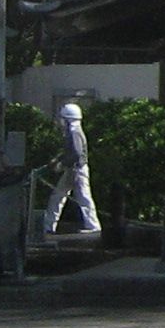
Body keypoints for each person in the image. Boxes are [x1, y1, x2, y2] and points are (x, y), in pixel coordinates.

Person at [43, 101, 102, 236]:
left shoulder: (74, 132)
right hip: (73, 170)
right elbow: (69, 151)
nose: (60, 122)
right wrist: (57, 159)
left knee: (82, 198)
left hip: (77, 170)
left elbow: (76, 153)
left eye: (63, 119)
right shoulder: (72, 132)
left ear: (68, 119)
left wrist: (61, 164)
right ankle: (48, 226)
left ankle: (93, 227)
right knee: (59, 197)